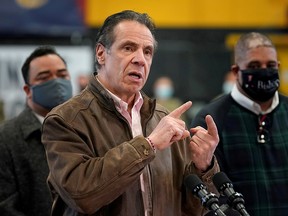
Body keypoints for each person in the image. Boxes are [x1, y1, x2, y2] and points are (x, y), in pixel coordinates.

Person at [42, 10, 220, 216]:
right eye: (128, 48)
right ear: (101, 53)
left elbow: (193, 209)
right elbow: (82, 196)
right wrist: (149, 145)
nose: (140, 59)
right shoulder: (66, 119)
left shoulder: (164, 119)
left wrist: (204, 167)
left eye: (147, 51)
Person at [191, 32, 288, 215]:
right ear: (236, 71)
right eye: (254, 66)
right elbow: (206, 194)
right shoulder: (210, 119)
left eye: (270, 65)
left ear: (279, 67)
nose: (264, 71)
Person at [0, 46, 73, 216]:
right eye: (44, 77)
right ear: (28, 91)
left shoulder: (85, 129)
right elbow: (5, 207)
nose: (56, 82)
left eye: (62, 75)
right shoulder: (7, 139)